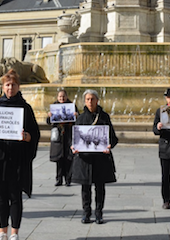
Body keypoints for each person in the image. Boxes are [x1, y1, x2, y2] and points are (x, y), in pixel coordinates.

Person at [0, 69, 40, 240]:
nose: (10, 88)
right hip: (0, 159)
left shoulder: (25, 108)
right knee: (1, 197)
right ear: (3, 87)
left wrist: (27, 137)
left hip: (18, 159)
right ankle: (2, 232)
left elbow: (34, 134)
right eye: (7, 85)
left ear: (18, 86)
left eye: (13, 85)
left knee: (15, 197)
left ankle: (14, 232)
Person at [71, 89, 118, 225]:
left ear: (97, 100)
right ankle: (86, 213)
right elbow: (73, 139)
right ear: (84, 101)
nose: (90, 102)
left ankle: (99, 213)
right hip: (85, 159)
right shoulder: (80, 118)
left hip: (100, 159)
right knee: (85, 188)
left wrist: (109, 146)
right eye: (87, 99)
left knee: (100, 187)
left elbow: (113, 138)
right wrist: (73, 147)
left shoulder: (104, 117)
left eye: (92, 99)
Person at [46, 89, 77, 186]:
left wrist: (76, 116)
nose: (62, 98)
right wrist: (49, 116)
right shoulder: (54, 106)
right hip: (58, 136)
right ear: (57, 97)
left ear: (67, 96)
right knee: (59, 159)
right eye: (60, 97)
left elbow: (78, 122)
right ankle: (58, 179)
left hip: (68, 135)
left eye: (63, 96)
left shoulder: (72, 106)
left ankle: (68, 179)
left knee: (69, 158)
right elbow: (48, 122)